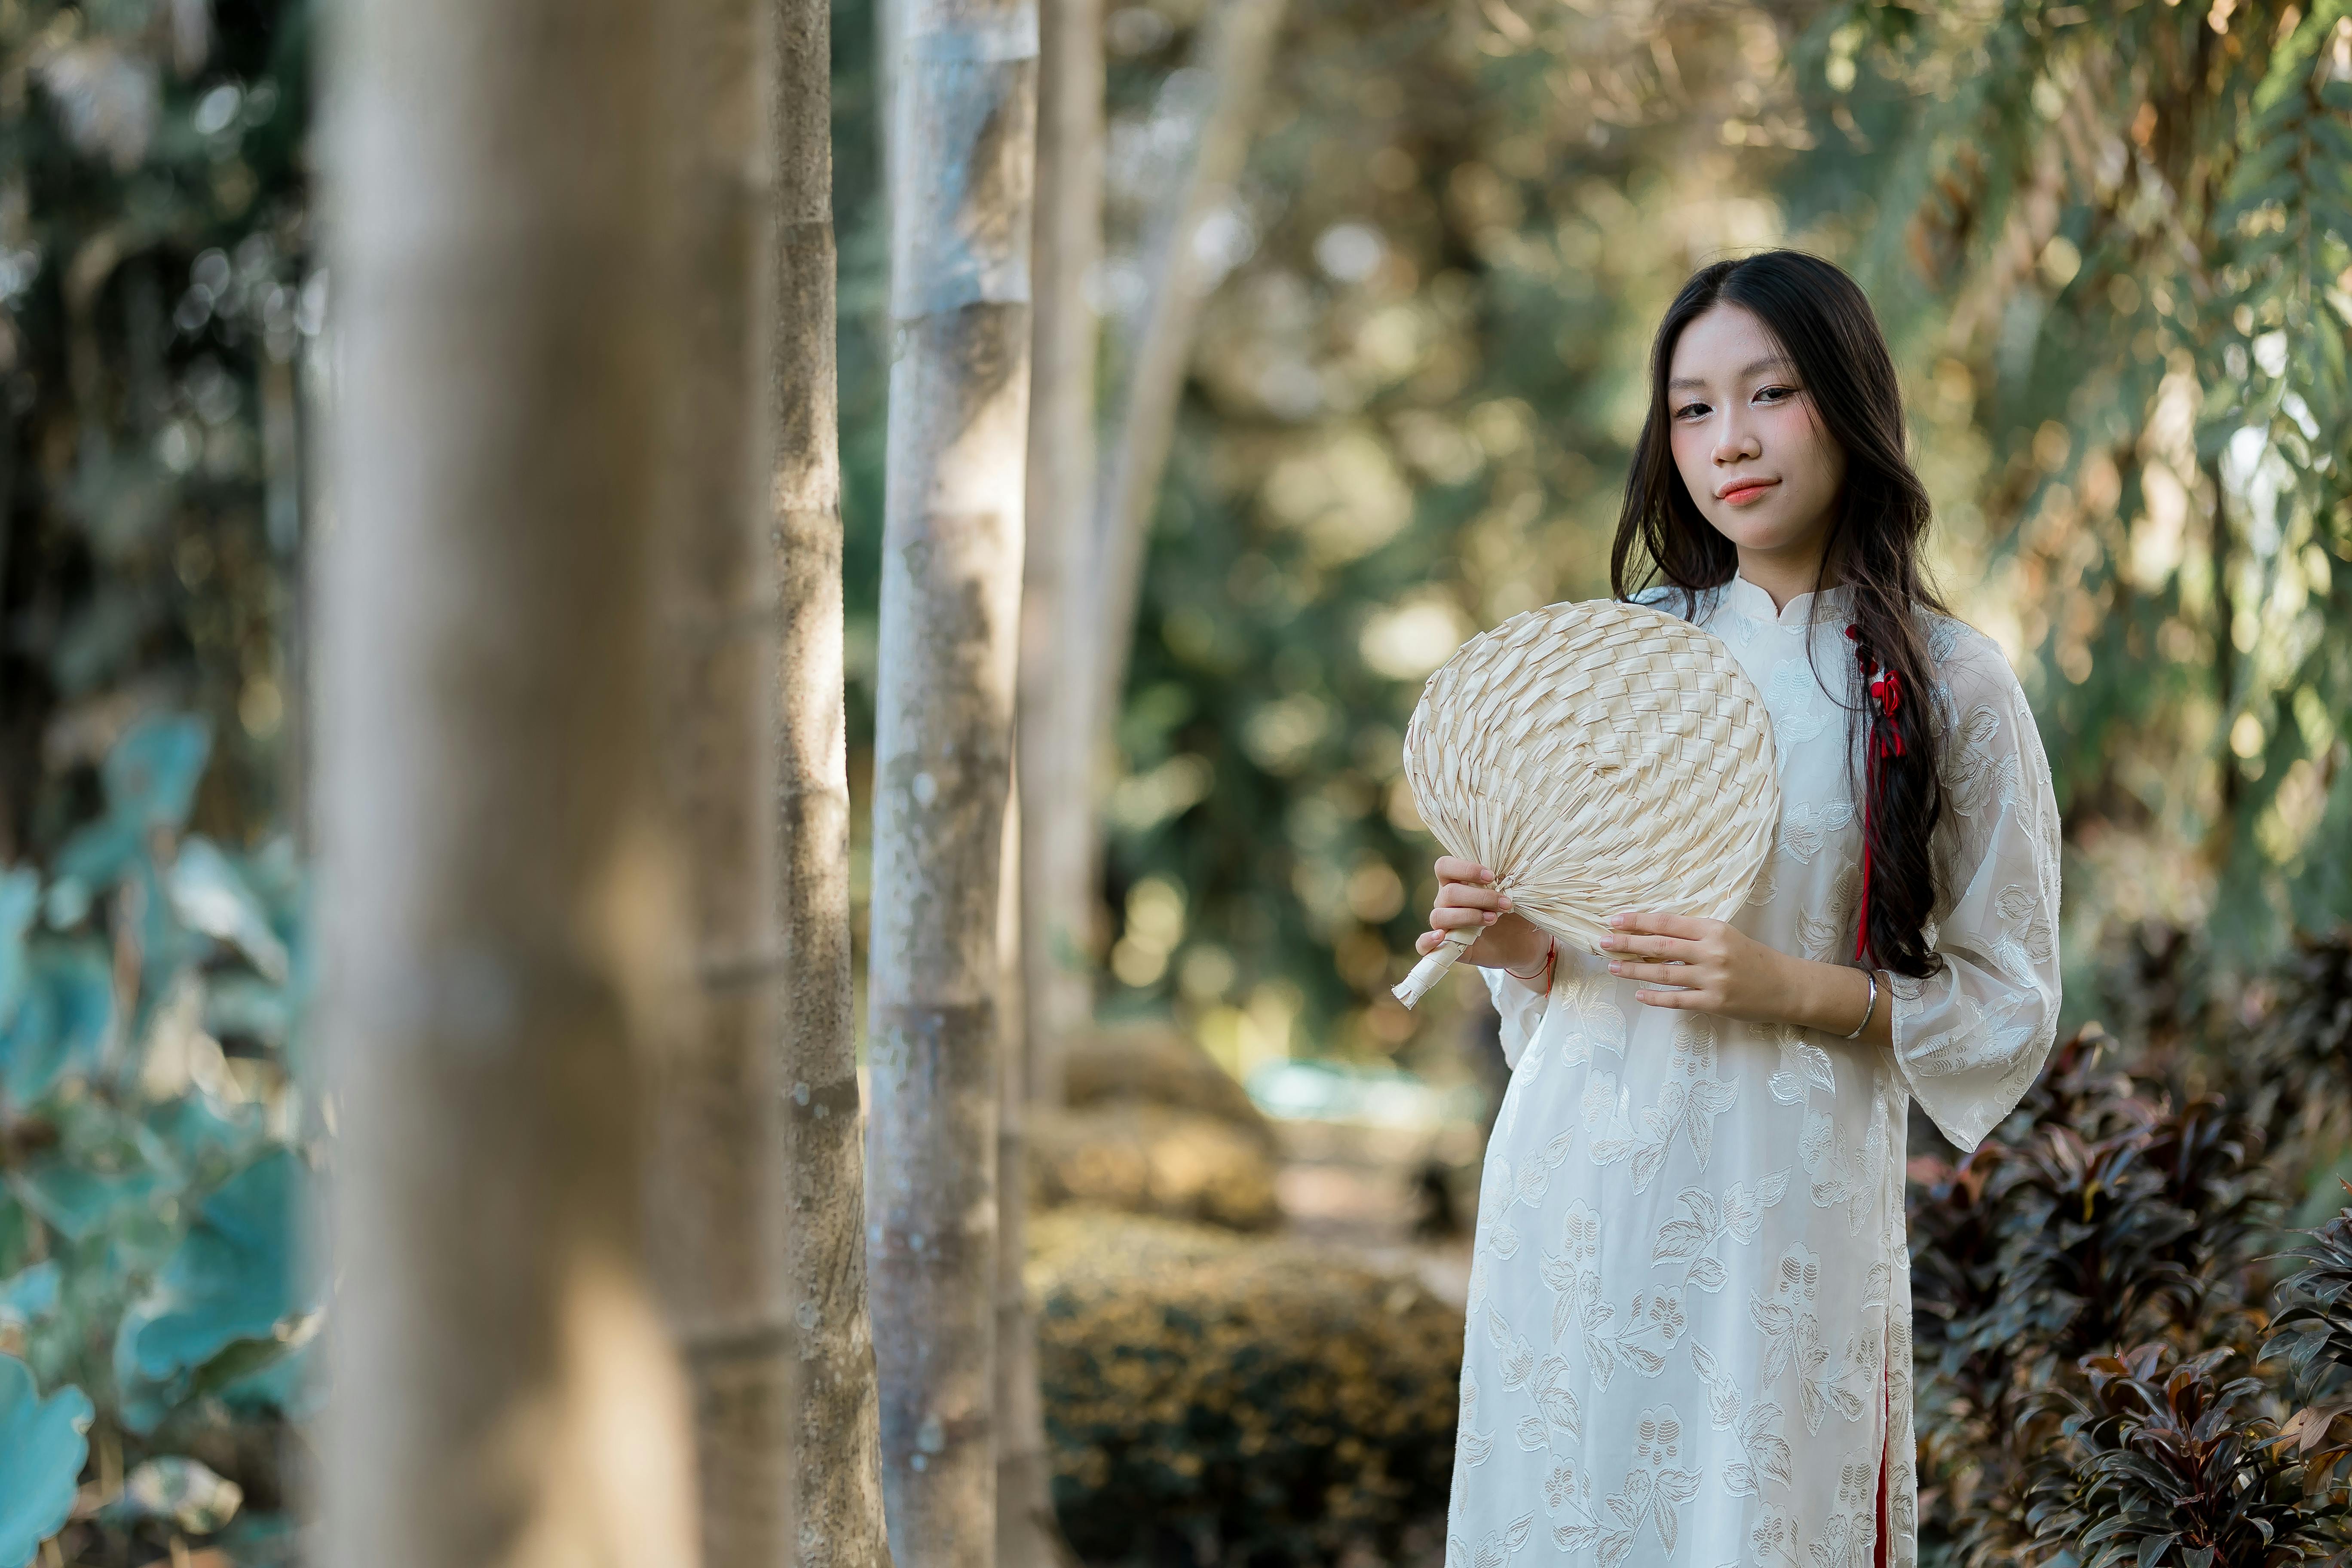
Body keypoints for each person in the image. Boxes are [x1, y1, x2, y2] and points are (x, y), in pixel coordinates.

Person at [1422, 250, 2060, 1568]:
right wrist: (1514, 943)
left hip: (1785, 1211)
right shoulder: (1616, 658)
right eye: (1693, 409)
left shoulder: (1950, 682)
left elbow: (2010, 1001)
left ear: (1848, 400)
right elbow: (1567, 972)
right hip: (1576, 1191)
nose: (1731, 441)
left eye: (1768, 394)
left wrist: (1792, 988)